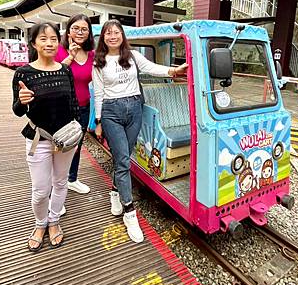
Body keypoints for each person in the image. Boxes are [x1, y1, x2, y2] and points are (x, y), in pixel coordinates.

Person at [93, 20, 188, 243]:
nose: (112, 36)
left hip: (135, 109)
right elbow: (98, 93)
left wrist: (174, 70)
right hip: (111, 112)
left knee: (124, 157)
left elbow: (151, 68)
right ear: (103, 38)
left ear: (122, 36)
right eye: (108, 33)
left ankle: (115, 192)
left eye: (116, 32)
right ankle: (129, 212)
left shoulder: (133, 56)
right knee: (124, 160)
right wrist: (98, 121)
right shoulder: (99, 62)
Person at [12, 22, 80, 252]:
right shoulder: (23, 73)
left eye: (53, 38)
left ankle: (54, 222)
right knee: (40, 190)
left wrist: (77, 132)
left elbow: (73, 103)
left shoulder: (65, 70)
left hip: (66, 140)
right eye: (43, 38)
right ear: (33, 43)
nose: (49, 43)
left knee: (61, 183)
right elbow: (17, 111)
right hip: (38, 139)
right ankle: (39, 224)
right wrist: (22, 101)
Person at [55, 14, 95, 196]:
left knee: (77, 145)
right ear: (68, 30)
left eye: (84, 29)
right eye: (76, 28)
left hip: (84, 106)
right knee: (59, 147)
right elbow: (54, 76)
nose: (80, 32)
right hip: (62, 107)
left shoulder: (92, 54)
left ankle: (72, 179)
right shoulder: (59, 51)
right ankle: (56, 186)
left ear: (89, 33)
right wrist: (70, 57)